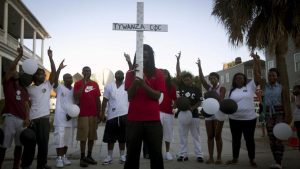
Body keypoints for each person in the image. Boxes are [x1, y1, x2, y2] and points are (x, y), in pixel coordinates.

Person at [124, 44, 165, 169]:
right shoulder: (130, 73)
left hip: (153, 120)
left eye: (147, 57)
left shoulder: (158, 73)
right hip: (134, 120)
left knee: (156, 154)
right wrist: (136, 81)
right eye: (142, 57)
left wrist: (143, 84)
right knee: (131, 155)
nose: (144, 59)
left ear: (151, 57)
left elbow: (157, 96)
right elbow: (130, 97)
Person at [24, 47, 57, 169]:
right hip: (33, 120)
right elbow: (25, 103)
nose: (42, 75)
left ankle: (41, 165)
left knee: (43, 145)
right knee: (30, 145)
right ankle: (26, 164)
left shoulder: (47, 85)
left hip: (44, 120)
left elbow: (53, 72)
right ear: (34, 76)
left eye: (43, 73)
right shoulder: (29, 88)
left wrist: (50, 58)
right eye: (39, 74)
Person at [226, 53, 261, 167]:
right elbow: (228, 104)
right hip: (234, 119)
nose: (239, 79)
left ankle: (252, 159)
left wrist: (256, 61)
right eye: (236, 78)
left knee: (249, 140)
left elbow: (257, 76)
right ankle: (235, 158)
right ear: (234, 81)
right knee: (236, 140)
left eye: (241, 78)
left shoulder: (250, 86)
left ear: (244, 79)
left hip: (249, 119)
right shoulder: (231, 91)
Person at [0, 45, 30, 169]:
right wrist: (19, 56)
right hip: (10, 118)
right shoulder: (8, 84)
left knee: (19, 145)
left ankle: (16, 166)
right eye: (15, 72)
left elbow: (26, 105)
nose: (17, 72)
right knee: (3, 145)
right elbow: (11, 69)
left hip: (22, 120)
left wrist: (27, 118)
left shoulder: (24, 90)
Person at [175, 52, 204, 162]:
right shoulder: (181, 86)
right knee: (182, 136)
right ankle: (183, 154)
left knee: (196, 135)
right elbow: (178, 73)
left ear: (191, 79)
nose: (186, 80)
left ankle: (199, 155)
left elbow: (199, 102)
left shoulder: (196, 89)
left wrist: (192, 108)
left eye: (188, 79)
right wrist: (178, 61)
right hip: (182, 114)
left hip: (194, 114)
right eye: (184, 79)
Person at [196, 58, 226, 164]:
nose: (212, 80)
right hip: (209, 113)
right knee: (210, 136)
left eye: (214, 78)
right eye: (211, 79)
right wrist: (199, 67)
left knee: (217, 136)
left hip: (218, 113)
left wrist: (211, 95)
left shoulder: (222, 88)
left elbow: (221, 99)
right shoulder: (208, 88)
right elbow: (201, 79)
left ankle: (219, 157)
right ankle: (211, 157)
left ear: (218, 79)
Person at [73, 66, 101, 168]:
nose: (87, 72)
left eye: (88, 70)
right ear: (82, 72)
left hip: (93, 114)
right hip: (83, 114)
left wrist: (99, 113)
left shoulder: (95, 84)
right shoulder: (77, 83)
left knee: (92, 137)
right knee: (83, 137)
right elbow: (76, 97)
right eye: (85, 70)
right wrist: (83, 85)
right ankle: (82, 158)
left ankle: (89, 156)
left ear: (91, 72)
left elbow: (98, 99)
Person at [100, 70, 128, 165]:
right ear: (115, 76)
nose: (120, 75)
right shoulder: (109, 86)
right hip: (112, 116)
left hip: (124, 115)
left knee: (122, 138)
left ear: (123, 76)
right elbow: (104, 101)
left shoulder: (127, 86)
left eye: (121, 73)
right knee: (110, 138)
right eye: (118, 73)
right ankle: (109, 156)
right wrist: (102, 113)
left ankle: (122, 156)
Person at [264, 68, 289, 169]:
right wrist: (256, 62)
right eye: (269, 75)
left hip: (279, 113)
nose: (271, 77)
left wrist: (287, 116)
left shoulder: (281, 87)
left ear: (277, 76)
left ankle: (279, 162)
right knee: (271, 139)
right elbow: (257, 76)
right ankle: (276, 161)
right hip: (268, 114)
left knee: (279, 137)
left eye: (273, 75)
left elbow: (285, 102)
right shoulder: (264, 86)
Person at [52, 59, 75, 168]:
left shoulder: (74, 90)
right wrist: (59, 69)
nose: (69, 79)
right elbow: (55, 79)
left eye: (70, 77)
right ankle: (59, 158)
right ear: (63, 79)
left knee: (67, 140)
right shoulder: (59, 88)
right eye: (67, 77)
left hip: (70, 119)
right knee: (59, 140)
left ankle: (64, 156)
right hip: (60, 119)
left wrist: (72, 114)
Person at [159, 69, 177, 160]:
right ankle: (157, 152)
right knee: (157, 134)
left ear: (168, 75)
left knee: (168, 134)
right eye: (162, 74)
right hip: (157, 112)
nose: (164, 76)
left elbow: (175, 99)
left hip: (169, 113)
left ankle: (167, 152)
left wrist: (175, 105)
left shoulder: (172, 86)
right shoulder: (157, 84)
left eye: (165, 74)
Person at [292, 84, 300, 152]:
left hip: (299, 118)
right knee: (298, 133)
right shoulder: (296, 96)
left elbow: (298, 105)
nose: (294, 91)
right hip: (297, 118)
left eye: (296, 89)